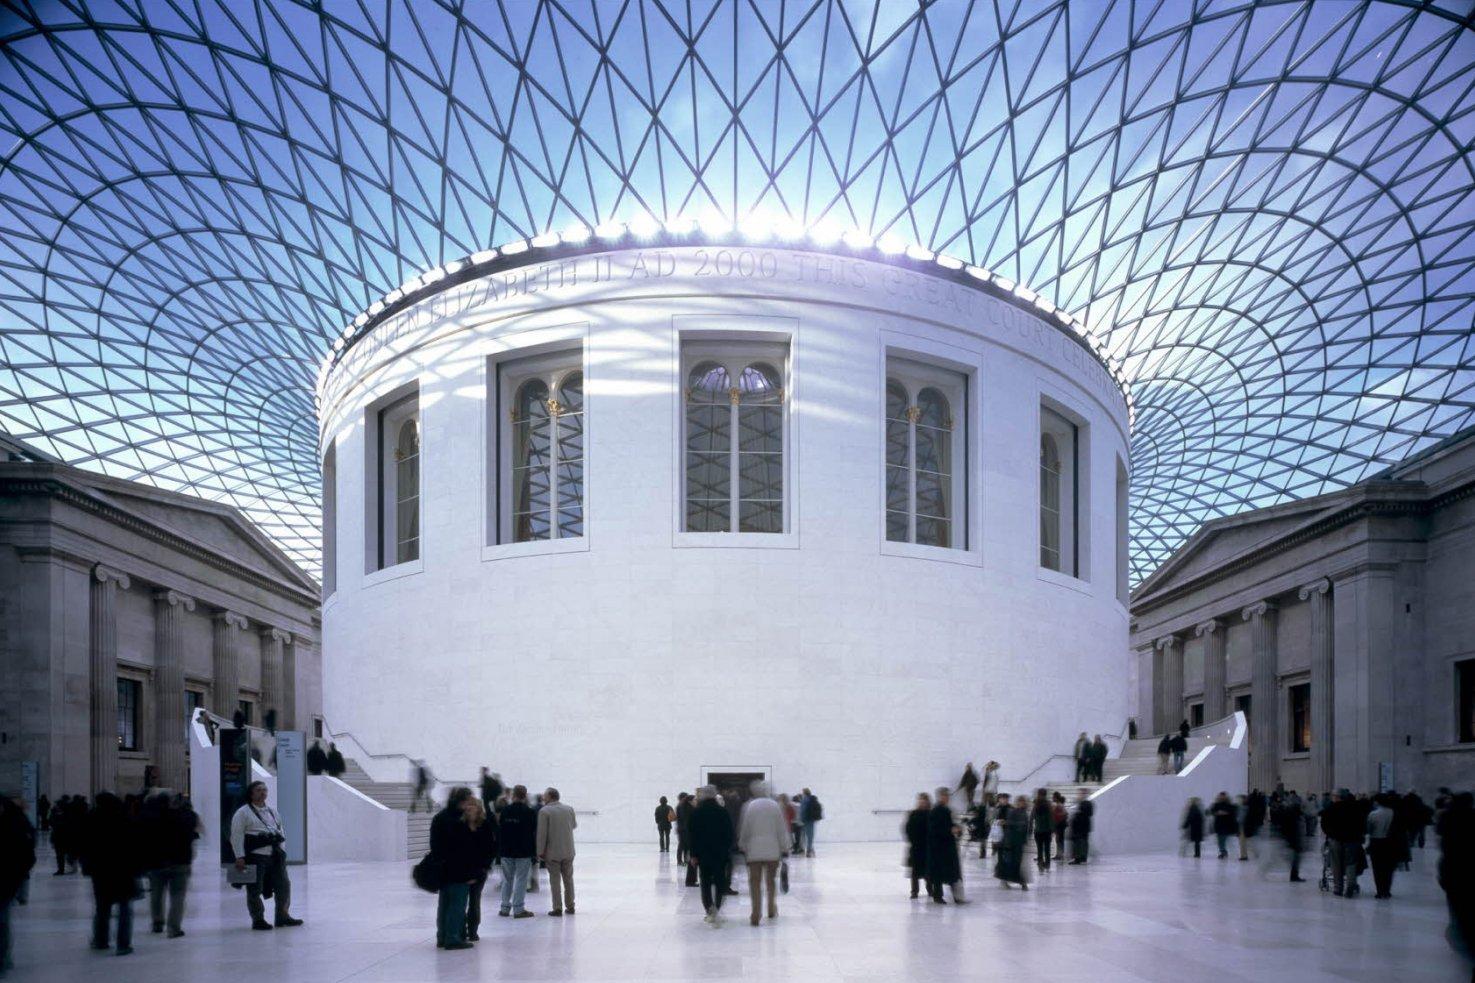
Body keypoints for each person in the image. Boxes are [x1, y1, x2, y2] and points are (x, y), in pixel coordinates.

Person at [229, 780, 301, 930]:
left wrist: (282, 849)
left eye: (265, 790)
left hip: (275, 855)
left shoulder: (272, 812)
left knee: (284, 885)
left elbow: (280, 831)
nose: (263, 793)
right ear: (251, 793)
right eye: (259, 790)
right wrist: (239, 856)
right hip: (256, 856)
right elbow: (236, 835)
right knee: (255, 889)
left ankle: (282, 916)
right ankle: (258, 919)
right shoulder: (243, 812)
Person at [81, 792, 142, 955]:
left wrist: (87, 866)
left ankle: (101, 940)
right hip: (123, 869)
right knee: (124, 908)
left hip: (100, 870)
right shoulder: (124, 817)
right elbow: (134, 843)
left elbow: (84, 845)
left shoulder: (91, 819)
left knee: (102, 907)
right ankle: (123, 944)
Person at [140, 790, 197, 938]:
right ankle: (174, 928)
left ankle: (157, 922)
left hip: (156, 862)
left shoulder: (149, 819)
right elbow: (191, 833)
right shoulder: (183, 817)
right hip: (179, 862)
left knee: (157, 894)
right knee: (178, 895)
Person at [737, 783, 788, 925]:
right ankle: (771, 908)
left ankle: (755, 913)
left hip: (754, 852)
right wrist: (784, 846)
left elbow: (745, 828)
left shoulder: (750, 806)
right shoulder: (774, 806)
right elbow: (781, 829)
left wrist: (742, 844)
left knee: (754, 883)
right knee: (771, 881)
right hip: (772, 851)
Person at [1436, 791, 1473, 972]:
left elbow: (1441, 840)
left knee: (1455, 904)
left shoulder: (1447, 817)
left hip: (1452, 869)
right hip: (1467, 869)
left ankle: (1459, 933)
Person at [688, 786, 735, 924]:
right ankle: (717, 907)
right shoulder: (722, 812)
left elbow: (692, 836)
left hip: (703, 854)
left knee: (705, 882)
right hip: (720, 853)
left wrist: (693, 854)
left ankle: (709, 909)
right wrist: (727, 850)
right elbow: (729, 834)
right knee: (720, 880)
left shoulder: (696, 812)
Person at [0, 795, 36, 976]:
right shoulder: (16, 821)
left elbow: (26, 852)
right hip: (9, 879)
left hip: (6, 880)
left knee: (2, 921)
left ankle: (2, 958)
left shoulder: (14, 823)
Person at [496, 785, 536, 919]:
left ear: (513, 794)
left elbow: (500, 830)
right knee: (521, 879)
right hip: (523, 851)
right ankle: (518, 909)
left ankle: (505, 908)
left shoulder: (505, 811)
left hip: (506, 850)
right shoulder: (529, 812)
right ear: (525, 795)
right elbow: (532, 833)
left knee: (507, 879)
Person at [537, 788, 577, 916]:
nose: (543, 797)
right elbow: (574, 825)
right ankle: (570, 906)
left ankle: (557, 908)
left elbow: (542, 834)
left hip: (552, 852)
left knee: (555, 881)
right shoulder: (569, 809)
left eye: (545, 795)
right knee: (569, 879)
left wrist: (540, 851)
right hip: (568, 850)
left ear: (549, 797)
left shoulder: (544, 811)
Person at [464, 797, 497, 942]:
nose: (470, 808)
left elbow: (491, 848)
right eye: (468, 805)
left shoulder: (485, 825)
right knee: (460, 901)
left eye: (473, 805)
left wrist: (485, 867)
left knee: (474, 900)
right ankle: (460, 929)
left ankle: (472, 930)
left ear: (479, 808)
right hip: (461, 869)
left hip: (479, 869)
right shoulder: (460, 824)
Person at [924, 787, 965, 903]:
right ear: (940, 797)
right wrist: (950, 830)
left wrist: (957, 830)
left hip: (947, 847)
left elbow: (952, 825)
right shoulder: (936, 811)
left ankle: (957, 897)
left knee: (950, 874)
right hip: (938, 848)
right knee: (939, 874)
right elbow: (934, 830)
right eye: (944, 796)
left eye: (947, 796)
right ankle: (939, 897)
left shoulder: (946, 810)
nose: (946, 798)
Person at [1320, 789, 1364, 897]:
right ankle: (1350, 885)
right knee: (1351, 863)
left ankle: (1338, 888)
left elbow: (1324, 824)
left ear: (1337, 797)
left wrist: (1330, 833)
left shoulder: (1331, 808)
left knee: (1336, 864)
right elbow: (1362, 823)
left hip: (1335, 839)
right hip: (1352, 840)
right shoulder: (1356, 808)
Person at [1366, 792, 1403, 900]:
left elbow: (1369, 829)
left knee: (1377, 868)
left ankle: (1379, 890)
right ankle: (1387, 890)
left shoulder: (1373, 814)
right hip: (1391, 843)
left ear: (1377, 802)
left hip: (1377, 842)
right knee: (1389, 868)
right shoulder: (1394, 813)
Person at [996, 794, 1030, 888]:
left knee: (1016, 862)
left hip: (1019, 842)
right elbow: (1009, 826)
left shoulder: (1024, 812)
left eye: (1023, 802)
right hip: (1012, 841)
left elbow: (1025, 827)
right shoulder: (1013, 811)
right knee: (1012, 862)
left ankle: (1019, 881)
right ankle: (1020, 882)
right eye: (1020, 802)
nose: (1022, 803)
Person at [904, 793, 931, 899]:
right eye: (920, 800)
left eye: (923, 801)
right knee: (915, 871)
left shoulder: (930, 814)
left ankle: (930, 890)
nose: (921, 803)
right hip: (916, 847)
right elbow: (908, 828)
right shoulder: (913, 814)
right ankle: (914, 891)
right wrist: (912, 840)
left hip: (927, 847)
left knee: (928, 871)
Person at [1209, 791, 1237, 859]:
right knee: (1220, 841)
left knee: (1222, 840)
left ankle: (1223, 852)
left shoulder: (1228, 805)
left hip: (1226, 825)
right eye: (1221, 796)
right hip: (1219, 825)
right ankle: (1223, 852)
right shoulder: (1216, 804)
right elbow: (1212, 811)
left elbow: (1233, 812)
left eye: (1223, 796)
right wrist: (1217, 813)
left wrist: (1225, 813)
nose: (1222, 797)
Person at [1068, 790, 1093, 864]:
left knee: (1081, 842)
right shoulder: (1082, 803)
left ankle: (1079, 858)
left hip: (1082, 827)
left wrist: (1079, 811)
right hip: (1081, 827)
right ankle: (1080, 858)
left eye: (1081, 794)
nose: (1079, 795)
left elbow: (1087, 814)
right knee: (1081, 842)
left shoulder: (1086, 803)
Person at [1030, 788, 1053, 868]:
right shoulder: (1048, 804)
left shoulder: (1036, 804)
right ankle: (1047, 863)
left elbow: (1031, 817)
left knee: (1039, 849)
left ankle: (1040, 862)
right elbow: (1051, 818)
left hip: (1038, 830)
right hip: (1047, 830)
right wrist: (1052, 829)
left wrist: (1030, 829)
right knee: (1047, 849)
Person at [798, 788, 822, 857]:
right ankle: (810, 849)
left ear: (804, 793)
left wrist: (801, 819)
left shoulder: (804, 800)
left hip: (805, 820)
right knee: (810, 836)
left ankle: (808, 850)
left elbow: (802, 811)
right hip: (811, 820)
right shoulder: (813, 799)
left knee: (804, 836)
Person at [675, 792, 695, 868]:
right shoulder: (681, 806)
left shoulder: (681, 806)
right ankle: (680, 861)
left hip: (682, 829)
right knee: (682, 845)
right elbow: (684, 819)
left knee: (685, 845)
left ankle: (684, 860)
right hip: (683, 829)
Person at [1052, 792, 1068, 858]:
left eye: (1053, 797)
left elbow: (1065, 813)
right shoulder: (1058, 805)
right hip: (1059, 825)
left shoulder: (1059, 805)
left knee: (1059, 840)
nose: (1052, 798)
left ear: (1056, 798)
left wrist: (1057, 815)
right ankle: (1059, 854)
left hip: (1060, 825)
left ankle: (1060, 854)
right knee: (1058, 840)